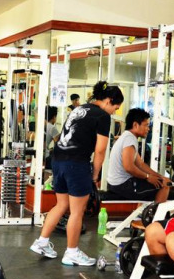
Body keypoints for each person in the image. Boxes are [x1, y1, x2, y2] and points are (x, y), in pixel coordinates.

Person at [29, 81, 123, 266]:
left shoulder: (79, 109)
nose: (114, 111)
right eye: (115, 107)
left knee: (61, 205)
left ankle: (41, 242)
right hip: (76, 164)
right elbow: (101, 150)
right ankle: (72, 252)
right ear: (109, 101)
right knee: (77, 211)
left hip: (58, 161)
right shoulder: (103, 116)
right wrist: (95, 174)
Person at [107, 108, 169, 203]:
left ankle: (145, 210)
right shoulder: (130, 138)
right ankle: (155, 212)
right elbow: (128, 167)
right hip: (122, 185)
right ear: (135, 125)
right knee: (164, 186)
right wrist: (148, 177)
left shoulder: (127, 136)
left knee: (162, 181)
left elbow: (140, 164)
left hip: (118, 184)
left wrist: (160, 177)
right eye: (146, 125)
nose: (148, 129)